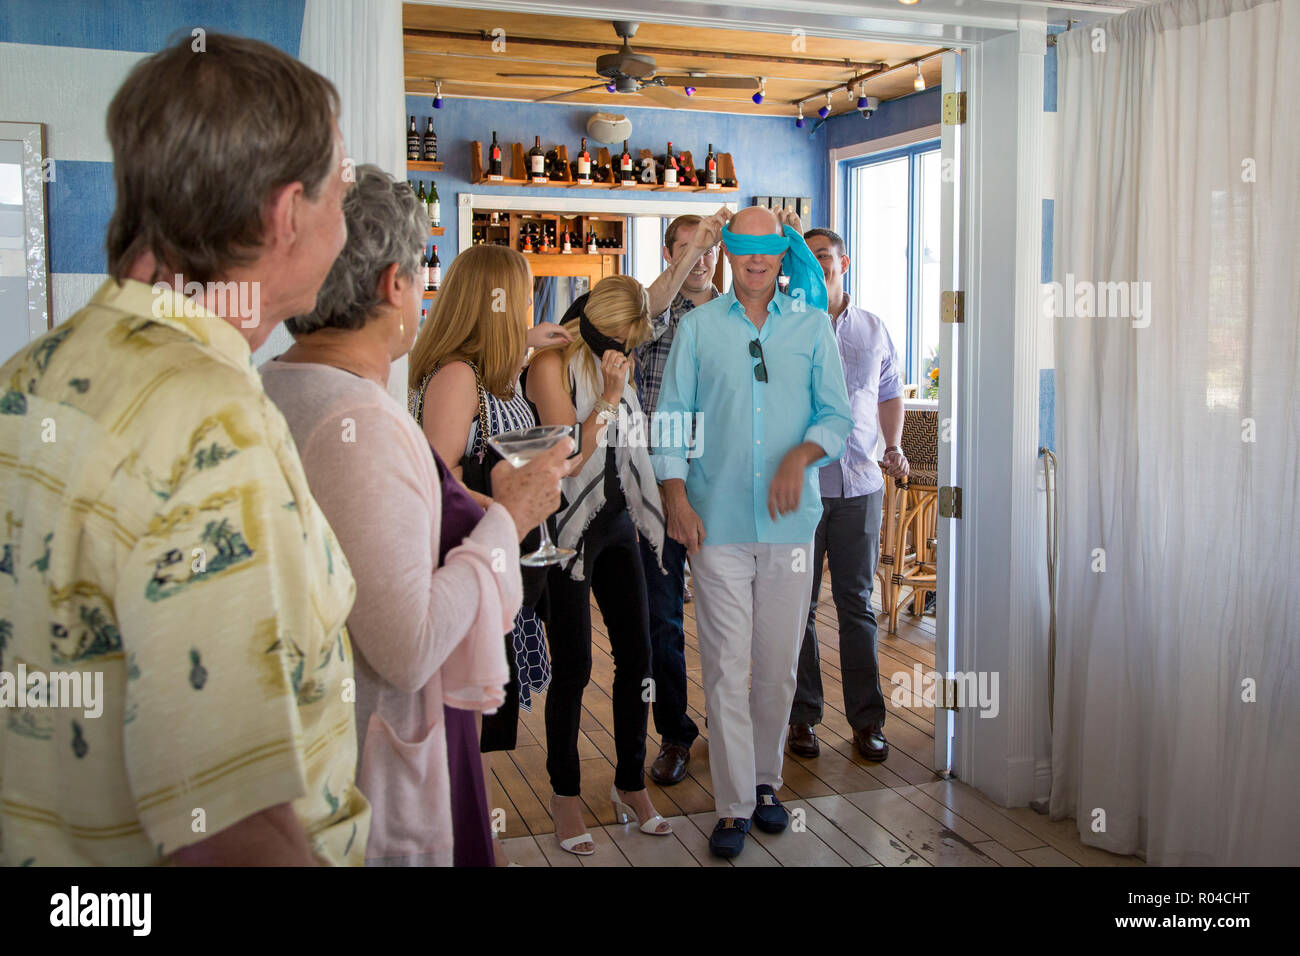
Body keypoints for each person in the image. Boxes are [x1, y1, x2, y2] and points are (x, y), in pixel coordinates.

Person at [0, 33, 368, 865]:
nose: (347, 227)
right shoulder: (214, 429)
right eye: (339, 193)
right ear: (286, 215)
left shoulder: (26, 379)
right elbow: (231, 833)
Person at [261, 165, 571, 866]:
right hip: (370, 770)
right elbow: (406, 647)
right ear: (391, 285)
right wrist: (510, 516)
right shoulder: (359, 422)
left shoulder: (274, 386)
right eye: (419, 272)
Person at [652, 205, 853, 859]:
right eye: (743, 249)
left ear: (781, 251)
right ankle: (733, 804)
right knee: (725, 668)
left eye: (768, 249)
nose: (756, 260)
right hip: (716, 525)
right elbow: (671, 415)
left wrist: (803, 456)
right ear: (729, 253)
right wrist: (675, 497)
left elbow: (837, 416)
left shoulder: (812, 326)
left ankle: (768, 783)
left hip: (792, 529)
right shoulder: (700, 329)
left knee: (775, 669)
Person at [527, 275, 671, 855]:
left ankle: (630, 784)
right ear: (596, 323)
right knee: (574, 667)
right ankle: (564, 797)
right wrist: (610, 399)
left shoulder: (617, 352)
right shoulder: (551, 365)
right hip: (565, 530)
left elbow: (652, 303)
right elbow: (571, 455)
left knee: (639, 656)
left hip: (617, 525)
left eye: (633, 345)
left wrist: (695, 247)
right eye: (621, 341)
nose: (626, 354)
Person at [408, 245, 571, 759]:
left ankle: (478, 829)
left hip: (496, 554)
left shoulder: (475, 368)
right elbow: (440, 479)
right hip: (471, 557)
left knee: (479, 728)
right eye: (520, 301)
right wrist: (513, 508)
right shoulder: (458, 377)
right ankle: (471, 833)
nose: (526, 307)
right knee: (468, 729)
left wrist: (525, 341)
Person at [788, 229, 910, 763]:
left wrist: (896, 446)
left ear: (844, 263)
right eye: (807, 260)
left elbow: (889, 393)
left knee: (857, 604)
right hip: (803, 488)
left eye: (824, 258)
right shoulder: (788, 326)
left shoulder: (874, 329)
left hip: (860, 486)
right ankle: (802, 719)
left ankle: (867, 722)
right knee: (799, 607)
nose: (817, 268)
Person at [633, 210, 729, 786]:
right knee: (662, 621)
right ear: (670, 254)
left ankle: (732, 729)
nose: (701, 259)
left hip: (721, 489)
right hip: (656, 490)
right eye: (687, 250)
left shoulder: (736, 314)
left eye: (709, 249)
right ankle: (674, 734)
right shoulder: (648, 313)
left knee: (726, 619)